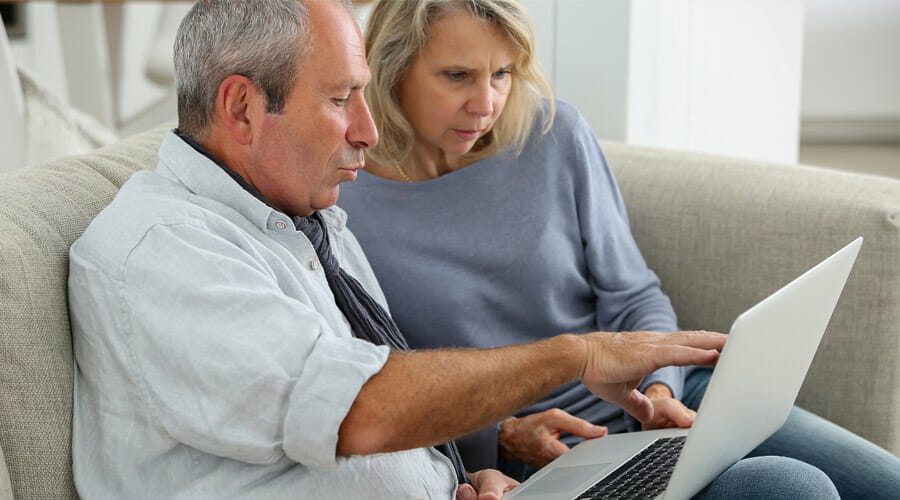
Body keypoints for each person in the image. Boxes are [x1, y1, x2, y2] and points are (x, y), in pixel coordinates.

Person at [66, 1, 756, 499]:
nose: (367, 131)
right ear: (242, 108)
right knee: (782, 487)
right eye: (342, 99)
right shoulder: (165, 255)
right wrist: (573, 356)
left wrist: (463, 472)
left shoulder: (307, 224)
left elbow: (370, 389)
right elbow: (358, 407)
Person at [339, 0, 900, 497]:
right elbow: (379, 383)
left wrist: (660, 389)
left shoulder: (554, 136)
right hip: (553, 451)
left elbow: (634, 296)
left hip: (672, 404)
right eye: (457, 76)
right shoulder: (346, 201)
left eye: (503, 73)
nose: (486, 104)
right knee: (794, 489)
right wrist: (499, 437)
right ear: (391, 71)